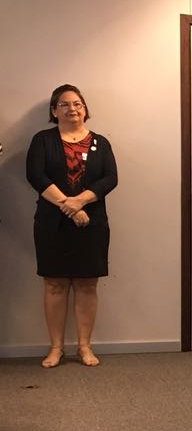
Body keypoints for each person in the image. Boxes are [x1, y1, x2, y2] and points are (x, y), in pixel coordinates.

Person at [26, 84, 118, 368]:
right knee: (54, 284)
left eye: (77, 103)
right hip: (52, 224)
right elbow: (36, 175)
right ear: (54, 111)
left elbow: (110, 178)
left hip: (92, 223)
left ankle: (84, 347)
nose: (72, 109)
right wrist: (69, 206)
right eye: (64, 104)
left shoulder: (101, 143)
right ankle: (56, 348)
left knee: (87, 284)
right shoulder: (42, 140)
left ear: (85, 109)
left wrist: (80, 202)